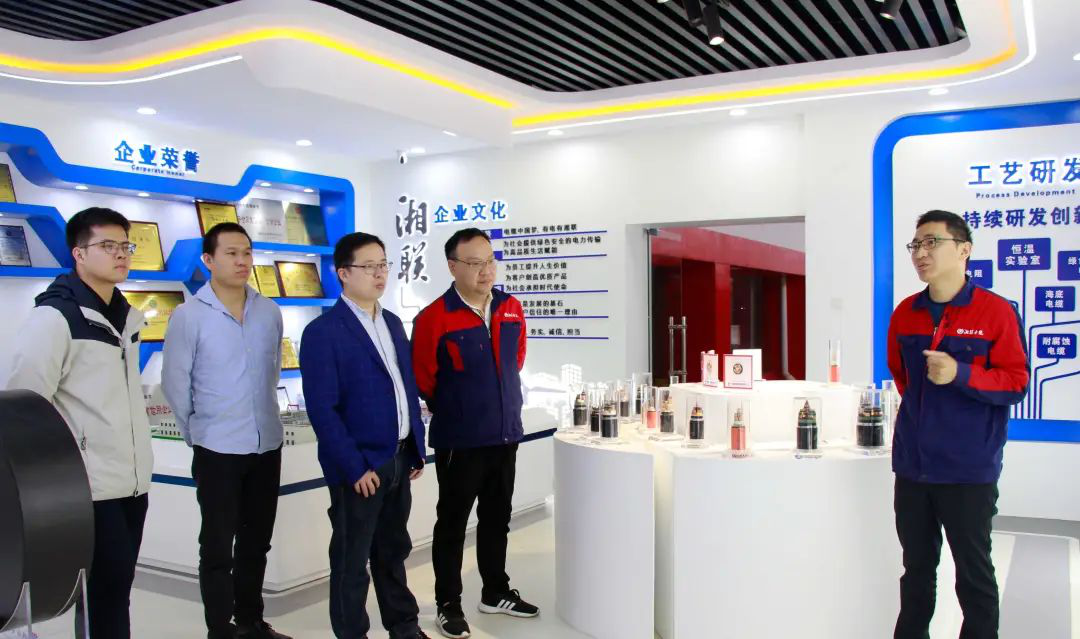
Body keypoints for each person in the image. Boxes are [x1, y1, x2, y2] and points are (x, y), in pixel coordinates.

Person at [7, 207, 153, 639]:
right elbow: (25, 402)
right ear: (79, 254)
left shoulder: (125, 316)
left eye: (125, 245)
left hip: (132, 482)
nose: (121, 254)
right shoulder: (55, 318)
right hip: (88, 485)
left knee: (116, 589)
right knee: (103, 592)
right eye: (107, 245)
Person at [887, 210, 1029, 639]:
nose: (921, 253)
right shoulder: (905, 313)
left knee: (973, 573)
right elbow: (903, 377)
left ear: (964, 250)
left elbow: (1016, 383)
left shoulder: (996, 312)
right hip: (913, 468)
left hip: (968, 469)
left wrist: (960, 374)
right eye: (916, 245)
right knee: (916, 570)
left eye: (932, 242)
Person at [162, 222, 291, 639]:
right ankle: (220, 628)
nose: (242, 261)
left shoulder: (269, 311)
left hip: (266, 444)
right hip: (217, 448)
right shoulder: (189, 315)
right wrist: (197, 432)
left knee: (257, 542)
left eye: (247, 253)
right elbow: (175, 383)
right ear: (208, 259)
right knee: (217, 547)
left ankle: (251, 621)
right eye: (231, 253)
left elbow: (272, 374)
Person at [299, 232, 429, 639]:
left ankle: (404, 627)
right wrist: (354, 467)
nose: (379, 274)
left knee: (393, 550)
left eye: (383, 265)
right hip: (359, 468)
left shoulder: (391, 322)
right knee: (351, 560)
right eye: (369, 266)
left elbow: (405, 387)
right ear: (343, 273)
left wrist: (416, 448)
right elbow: (323, 410)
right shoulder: (323, 332)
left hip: (398, 457)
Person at [411, 227, 538, 639]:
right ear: (453, 267)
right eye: (475, 263)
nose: (486, 271)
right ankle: (448, 603)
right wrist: (463, 405)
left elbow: (515, 361)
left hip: (504, 435)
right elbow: (424, 379)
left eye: (490, 261)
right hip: (460, 441)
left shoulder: (510, 307)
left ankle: (495, 591)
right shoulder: (433, 318)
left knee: (497, 519)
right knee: (452, 524)